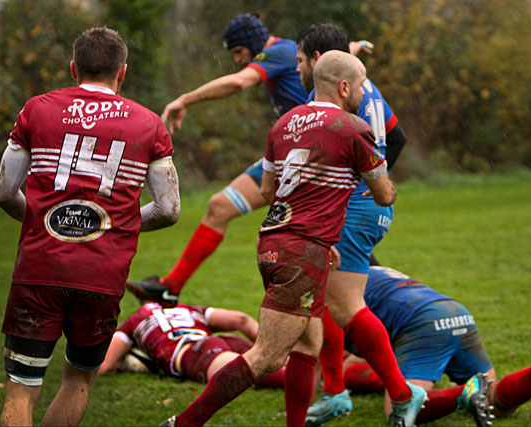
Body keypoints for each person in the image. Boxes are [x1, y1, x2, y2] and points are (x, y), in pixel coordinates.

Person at [159, 51, 423, 427]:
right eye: (362, 85)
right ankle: (184, 423)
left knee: (308, 345)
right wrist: (385, 189)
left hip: (275, 241)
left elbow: (268, 191)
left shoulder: (283, 125)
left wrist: (317, 234)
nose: (365, 93)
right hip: (301, 251)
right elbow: (383, 195)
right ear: (345, 86)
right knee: (265, 356)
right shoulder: (352, 128)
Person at [0, 27, 181, 426]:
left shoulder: (37, 109)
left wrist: (46, 224)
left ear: (74, 67)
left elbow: (5, 193)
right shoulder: (149, 124)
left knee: (21, 387)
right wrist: (114, 226)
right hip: (102, 275)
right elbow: (168, 210)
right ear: (123, 73)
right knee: (78, 379)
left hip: (39, 269)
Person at [127, 17, 381, 306]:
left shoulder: (277, 53)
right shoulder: (292, 55)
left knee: (329, 255)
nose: (237, 60)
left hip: (313, 160)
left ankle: (360, 304)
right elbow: (340, 53)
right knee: (220, 207)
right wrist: (357, 45)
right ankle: (170, 287)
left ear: (252, 45)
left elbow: (239, 82)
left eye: (238, 52)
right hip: (291, 158)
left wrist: (184, 100)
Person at [309, 265, 531, 427]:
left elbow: (326, 354)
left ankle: (463, 394)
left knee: (397, 412)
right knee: (494, 403)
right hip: (455, 312)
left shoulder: (328, 293)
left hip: (421, 324)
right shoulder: (365, 272)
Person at [294, 24, 411, 426]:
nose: (297, 69)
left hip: (355, 210)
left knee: (347, 306)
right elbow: (397, 139)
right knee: (326, 297)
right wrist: (375, 179)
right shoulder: (367, 86)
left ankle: (401, 391)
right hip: (366, 205)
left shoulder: (329, 96)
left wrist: (360, 186)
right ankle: (335, 390)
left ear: (316, 60)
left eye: (299, 60)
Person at [97, 299, 285, 388]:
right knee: (286, 364)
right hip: (222, 340)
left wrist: (129, 363)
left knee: (249, 372)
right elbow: (241, 320)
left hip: (194, 353)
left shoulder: (134, 321)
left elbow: (104, 366)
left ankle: (307, 383)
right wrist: (268, 345)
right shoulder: (187, 308)